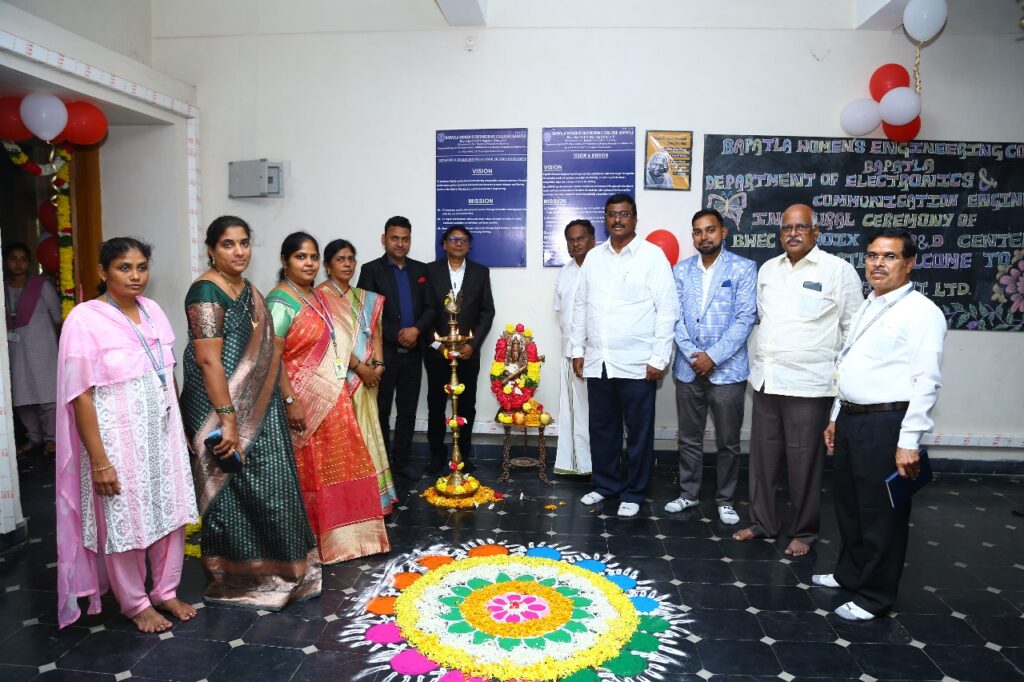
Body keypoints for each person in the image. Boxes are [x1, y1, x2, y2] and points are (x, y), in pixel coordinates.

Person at [56, 237, 198, 633]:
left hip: (162, 436)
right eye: (124, 267)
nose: (135, 276)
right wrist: (100, 461)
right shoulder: (84, 319)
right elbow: (81, 396)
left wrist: (179, 428)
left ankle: (165, 590)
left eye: (141, 267)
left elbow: (166, 373)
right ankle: (135, 602)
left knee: (170, 513)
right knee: (125, 519)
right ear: (103, 272)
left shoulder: (153, 311)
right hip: (117, 441)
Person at [181, 216, 321, 609]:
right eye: (228, 244)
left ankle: (282, 570)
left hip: (258, 404)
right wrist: (228, 419)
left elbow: (267, 352)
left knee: (271, 483)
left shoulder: (249, 290)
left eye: (244, 242)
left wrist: (281, 400)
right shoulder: (206, 291)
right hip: (217, 408)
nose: (239, 251)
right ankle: (237, 575)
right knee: (232, 489)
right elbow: (208, 361)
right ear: (211, 249)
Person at [814, 228, 947, 621]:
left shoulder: (923, 313)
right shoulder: (869, 303)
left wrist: (909, 441)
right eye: (872, 255)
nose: (878, 263)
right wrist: (836, 417)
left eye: (889, 256)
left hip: (887, 423)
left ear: (910, 263)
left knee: (881, 513)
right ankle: (850, 574)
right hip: (852, 418)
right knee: (850, 505)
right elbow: (848, 363)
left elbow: (927, 381)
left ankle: (875, 596)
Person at [733, 204, 863, 556]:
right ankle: (763, 523)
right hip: (767, 381)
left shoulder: (838, 271)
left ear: (816, 232)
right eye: (787, 228)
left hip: (809, 385)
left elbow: (854, 330)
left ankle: (804, 531)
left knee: (804, 462)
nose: (792, 233)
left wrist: (843, 385)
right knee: (762, 461)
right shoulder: (768, 270)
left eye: (801, 227)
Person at [268, 233, 390, 563]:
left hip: (333, 397)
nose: (308, 263)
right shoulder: (281, 301)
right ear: (285, 261)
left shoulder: (317, 297)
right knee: (310, 470)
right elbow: (273, 357)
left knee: (338, 466)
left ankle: (343, 540)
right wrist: (290, 401)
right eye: (300, 257)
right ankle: (310, 540)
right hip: (303, 400)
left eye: (312, 257)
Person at [571, 193, 679, 517]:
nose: (617, 220)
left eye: (624, 214)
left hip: (638, 363)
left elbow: (667, 310)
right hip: (599, 361)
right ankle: (606, 485)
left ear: (634, 219)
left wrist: (659, 358)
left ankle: (634, 492)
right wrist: (577, 349)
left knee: (638, 432)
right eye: (611, 214)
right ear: (605, 219)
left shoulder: (652, 256)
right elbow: (581, 305)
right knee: (602, 428)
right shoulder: (594, 257)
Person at [665, 209, 756, 525]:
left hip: (728, 371)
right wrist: (694, 355)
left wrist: (713, 356)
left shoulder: (743, 268)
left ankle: (726, 500)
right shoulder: (680, 271)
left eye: (710, 230)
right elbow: (674, 317)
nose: (704, 236)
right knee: (689, 437)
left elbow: (745, 318)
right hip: (689, 368)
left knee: (728, 441)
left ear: (723, 232)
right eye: (697, 231)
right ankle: (688, 494)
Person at [318, 238, 398, 514]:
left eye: (351, 259)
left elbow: (374, 332)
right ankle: (349, 501)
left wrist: (379, 365)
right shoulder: (319, 298)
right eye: (340, 259)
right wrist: (360, 368)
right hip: (339, 380)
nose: (347, 264)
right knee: (346, 440)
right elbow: (329, 341)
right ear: (328, 265)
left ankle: (373, 499)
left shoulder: (363, 297)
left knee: (368, 435)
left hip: (368, 379)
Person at [356, 216, 433, 479]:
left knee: (407, 410)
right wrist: (397, 335)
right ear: (384, 239)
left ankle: (401, 462)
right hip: (383, 354)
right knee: (381, 410)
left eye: (405, 239)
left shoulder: (421, 270)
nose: (400, 243)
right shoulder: (371, 270)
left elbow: (431, 307)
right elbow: (365, 312)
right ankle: (381, 464)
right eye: (394, 238)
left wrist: (416, 330)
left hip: (414, 352)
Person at [424, 225, 495, 474]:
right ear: (444, 244)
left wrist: (472, 345)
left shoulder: (480, 272)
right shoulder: (430, 271)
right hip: (437, 353)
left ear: (469, 246)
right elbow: (425, 309)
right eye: (453, 239)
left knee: (466, 405)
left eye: (463, 240)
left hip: (467, 353)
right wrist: (436, 344)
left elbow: (487, 312)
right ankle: (436, 455)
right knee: (436, 404)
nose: (458, 243)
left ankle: (463, 455)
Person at [4, 242, 61, 456]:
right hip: (14, 349)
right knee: (21, 396)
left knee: (47, 394)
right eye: (13, 259)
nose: (18, 264)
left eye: (23, 259)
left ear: (29, 262)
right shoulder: (2, 287)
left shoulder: (41, 286)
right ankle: (34, 437)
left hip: (42, 346)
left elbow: (57, 316)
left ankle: (52, 439)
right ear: (6, 262)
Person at [553, 219, 596, 476]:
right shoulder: (565, 271)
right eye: (570, 240)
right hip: (569, 352)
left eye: (580, 238)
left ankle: (598, 465)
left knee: (596, 413)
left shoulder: (601, 267)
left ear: (593, 240)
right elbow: (562, 311)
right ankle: (576, 464)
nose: (575, 244)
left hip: (597, 354)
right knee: (572, 411)